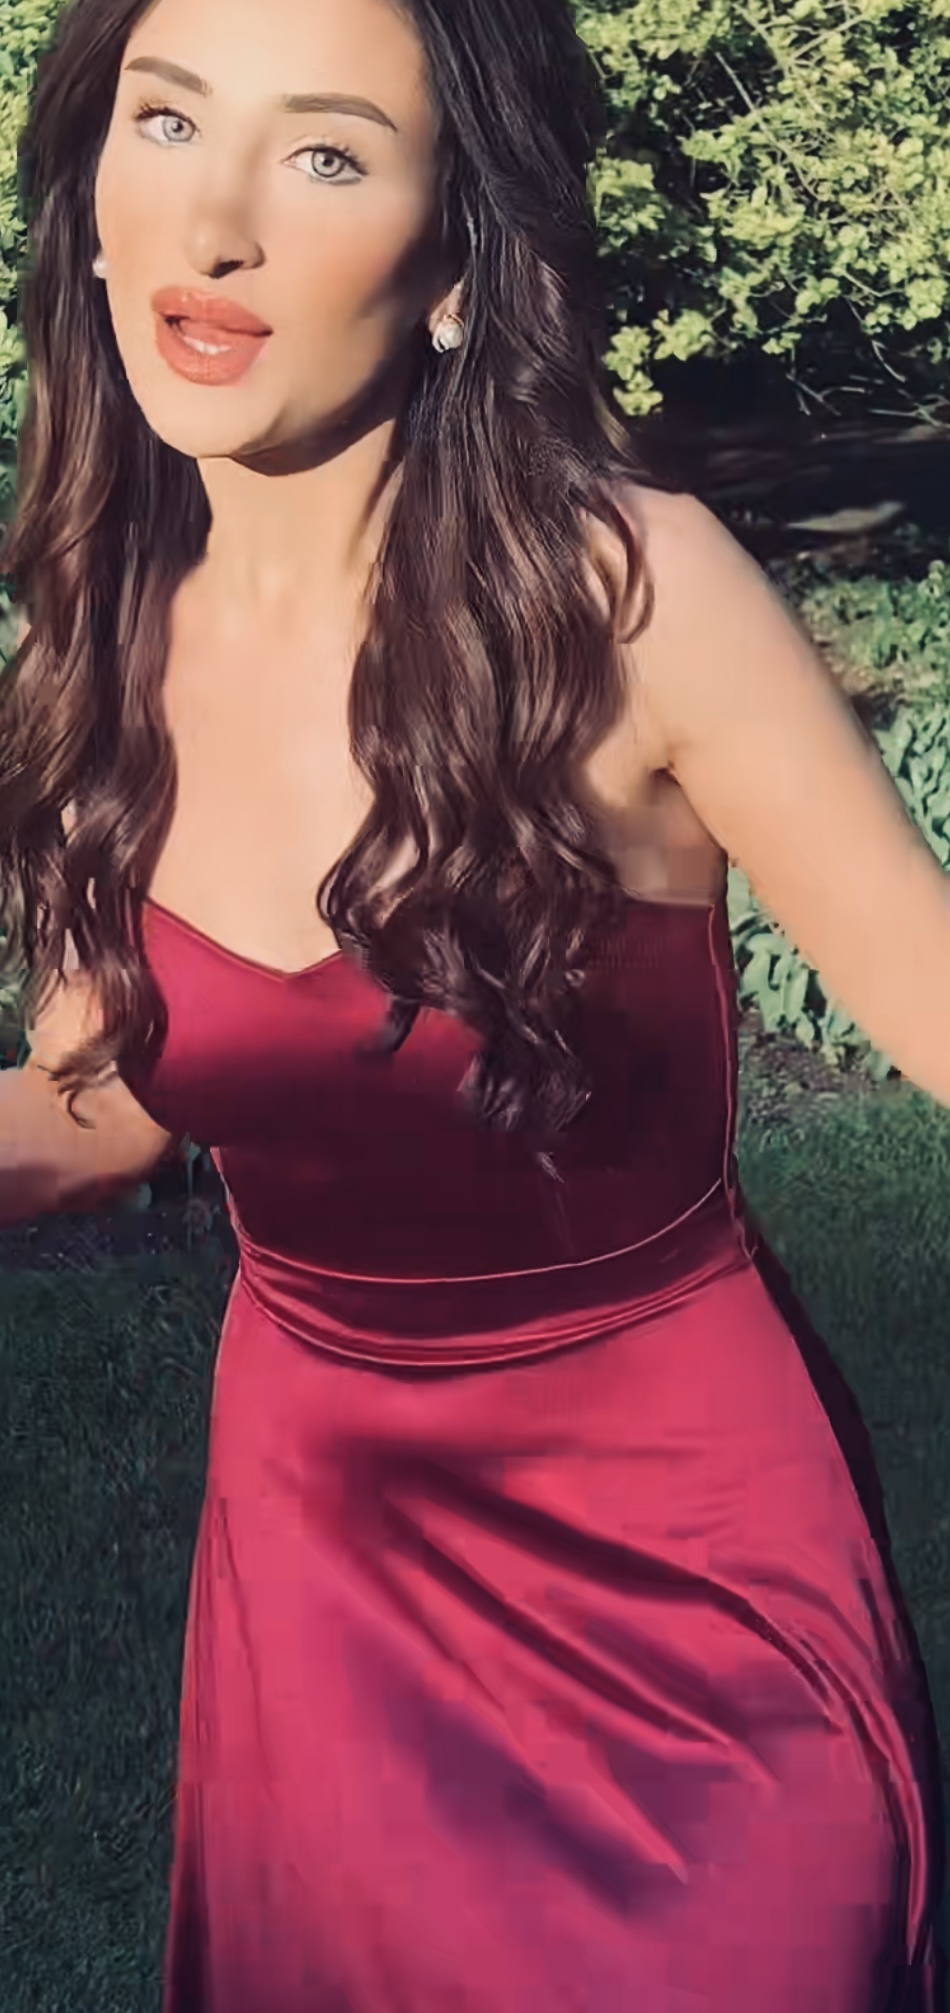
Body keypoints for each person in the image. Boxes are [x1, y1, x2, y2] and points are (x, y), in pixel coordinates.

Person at [0, 0, 947, 2004]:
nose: (217, 219)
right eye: (166, 121)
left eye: (325, 153)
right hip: (321, 1560)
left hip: (685, 1556)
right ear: (83, 197)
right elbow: (103, 1103)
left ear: (453, 266)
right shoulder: (91, 644)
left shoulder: (628, 593)